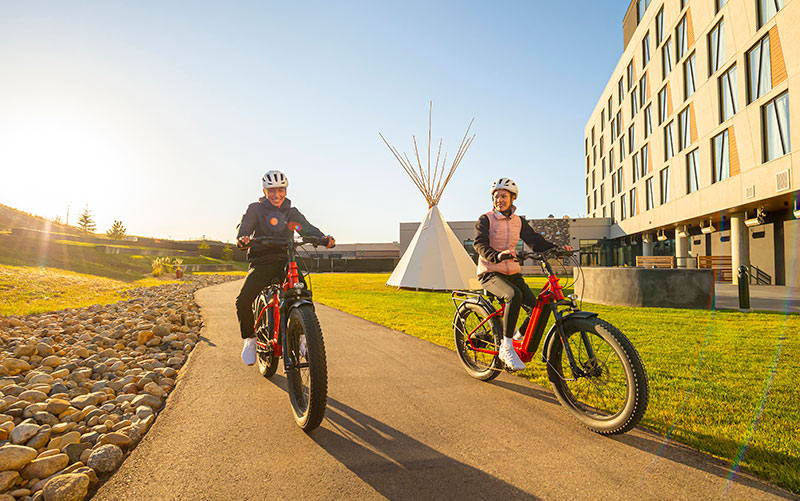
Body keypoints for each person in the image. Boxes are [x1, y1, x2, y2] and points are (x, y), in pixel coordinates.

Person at [235, 170, 335, 365]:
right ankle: (250, 339)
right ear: (264, 191)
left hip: (285, 260)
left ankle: (303, 337)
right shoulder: (255, 209)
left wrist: (323, 239)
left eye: (280, 190)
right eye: (271, 190)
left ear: (286, 191)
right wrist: (243, 238)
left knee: (303, 292)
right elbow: (244, 227)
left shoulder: (291, 212)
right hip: (262, 261)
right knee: (243, 300)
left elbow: (306, 228)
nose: (276, 194)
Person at [473, 177, 572, 371]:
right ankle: (506, 347)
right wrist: (497, 255)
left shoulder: (519, 221)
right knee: (513, 295)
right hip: (490, 271)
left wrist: (557, 249)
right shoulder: (486, 219)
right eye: (496, 196)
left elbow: (535, 241)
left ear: (512, 198)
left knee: (537, 308)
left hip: (512, 272)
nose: (499, 200)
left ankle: (516, 338)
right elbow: (479, 244)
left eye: (503, 196)